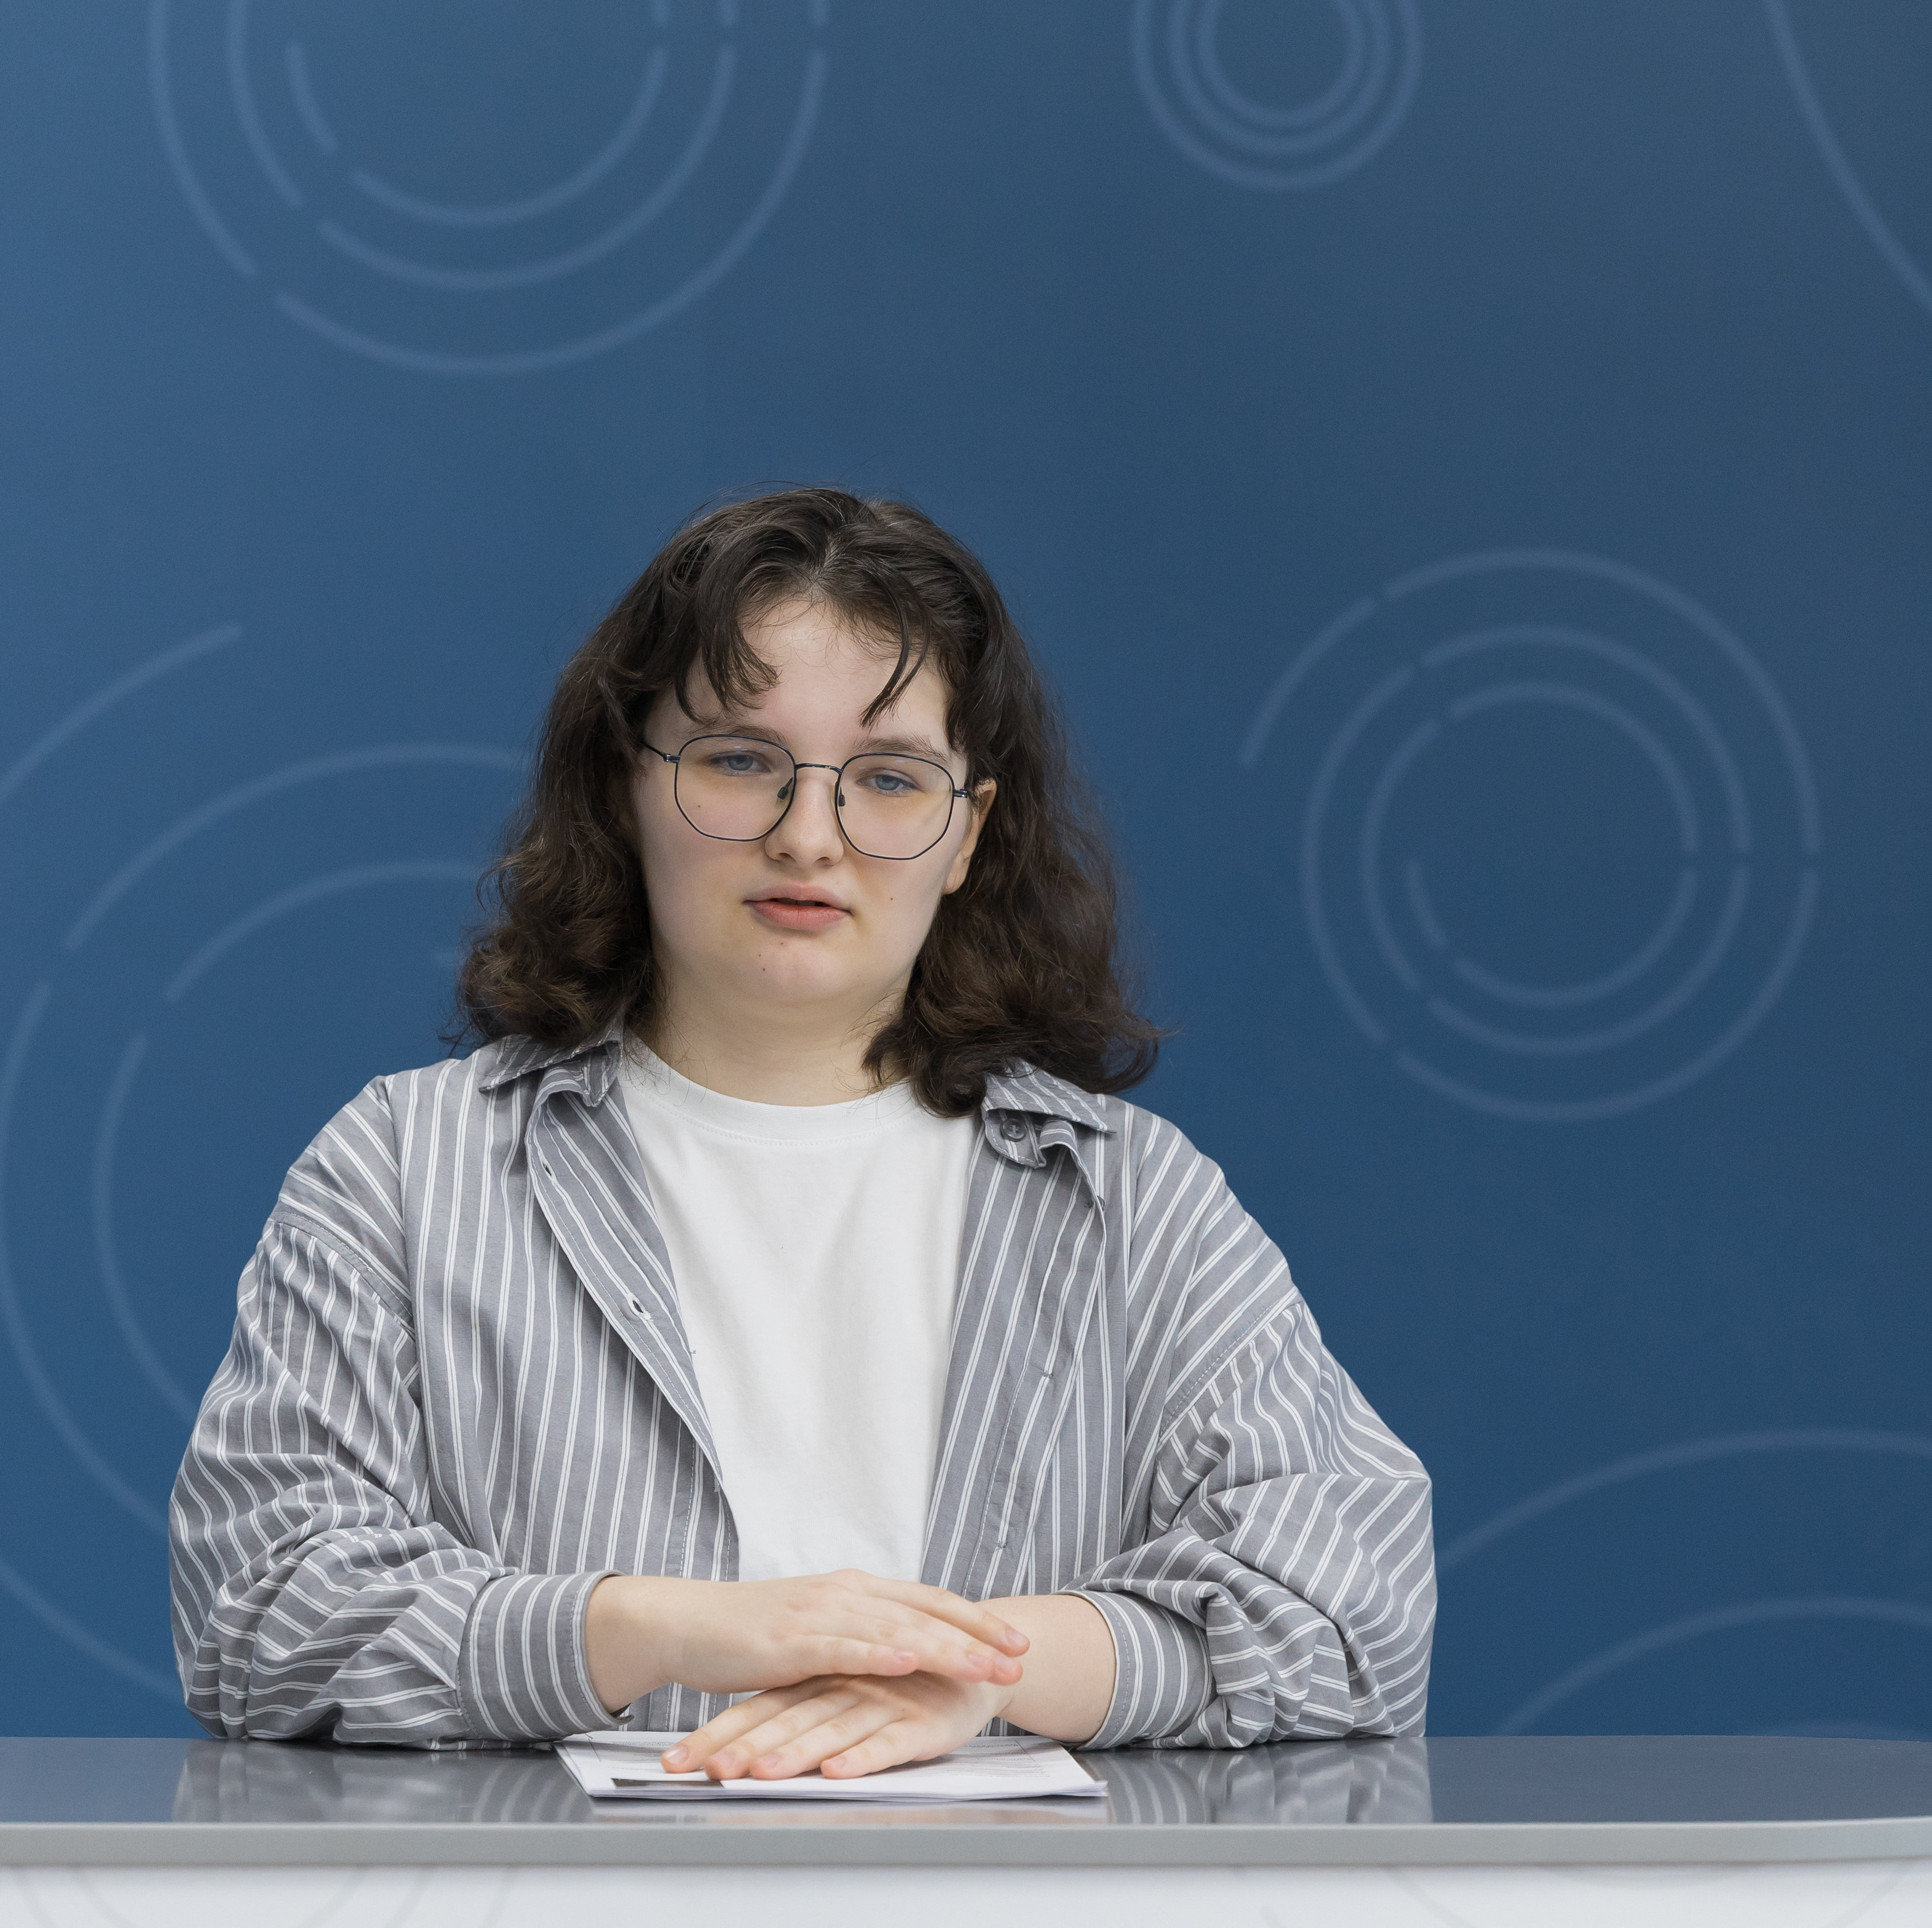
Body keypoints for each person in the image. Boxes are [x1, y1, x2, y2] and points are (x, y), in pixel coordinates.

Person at [168, 488, 1434, 1779]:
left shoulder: (1128, 1198)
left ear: (966, 833)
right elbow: (257, 1609)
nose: (808, 836)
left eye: (888, 779)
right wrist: (663, 1627)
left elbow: (1357, 1608)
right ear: (624, 784)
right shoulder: (402, 1170)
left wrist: (984, 1666)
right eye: (737, 759)